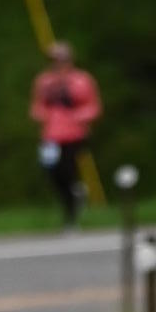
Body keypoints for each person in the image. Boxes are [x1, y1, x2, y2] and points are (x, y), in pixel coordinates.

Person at [30, 39, 102, 223]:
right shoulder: (44, 81)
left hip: (75, 135)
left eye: (61, 59)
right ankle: (72, 195)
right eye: (54, 60)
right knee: (51, 170)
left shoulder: (82, 80)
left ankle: (71, 211)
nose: (58, 63)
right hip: (50, 136)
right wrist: (45, 115)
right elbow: (37, 107)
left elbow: (94, 107)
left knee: (68, 169)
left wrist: (76, 117)